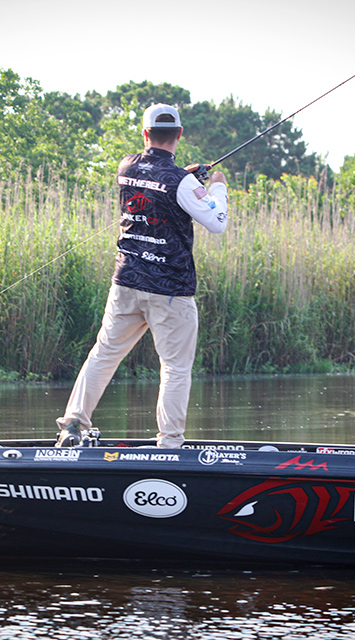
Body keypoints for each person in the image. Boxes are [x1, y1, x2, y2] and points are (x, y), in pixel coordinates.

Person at [55, 103, 229, 448]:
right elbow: (216, 222)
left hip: (127, 283)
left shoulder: (126, 167)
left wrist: (186, 178)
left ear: (145, 132)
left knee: (104, 354)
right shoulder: (182, 182)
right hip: (170, 291)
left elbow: (157, 185)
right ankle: (170, 443)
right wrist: (217, 188)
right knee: (175, 367)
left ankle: (73, 424)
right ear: (179, 134)